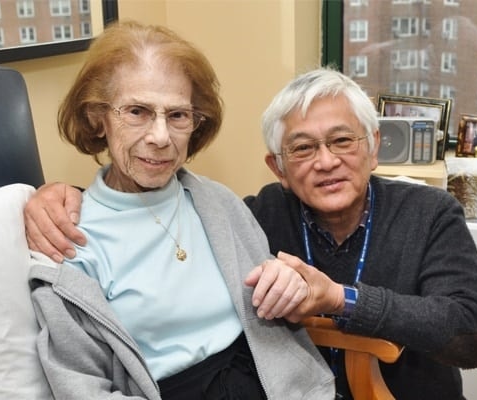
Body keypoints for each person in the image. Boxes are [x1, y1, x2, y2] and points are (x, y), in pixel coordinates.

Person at [25, 68, 477, 400]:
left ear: (373, 148)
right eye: (303, 148)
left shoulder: (429, 211)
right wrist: (63, 193)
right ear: (279, 168)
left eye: (343, 141)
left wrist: (340, 299)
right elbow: (144, 211)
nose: (326, 161)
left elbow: (471, 336)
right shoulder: (257, 214)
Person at [26, 21, 334, 400]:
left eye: (177, 116)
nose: (160, 137)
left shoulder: (217, 202)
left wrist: (290, 288)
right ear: (97, 118)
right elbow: (79, 386)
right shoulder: (69, 240)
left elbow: (278, 308)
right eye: (137, 111)